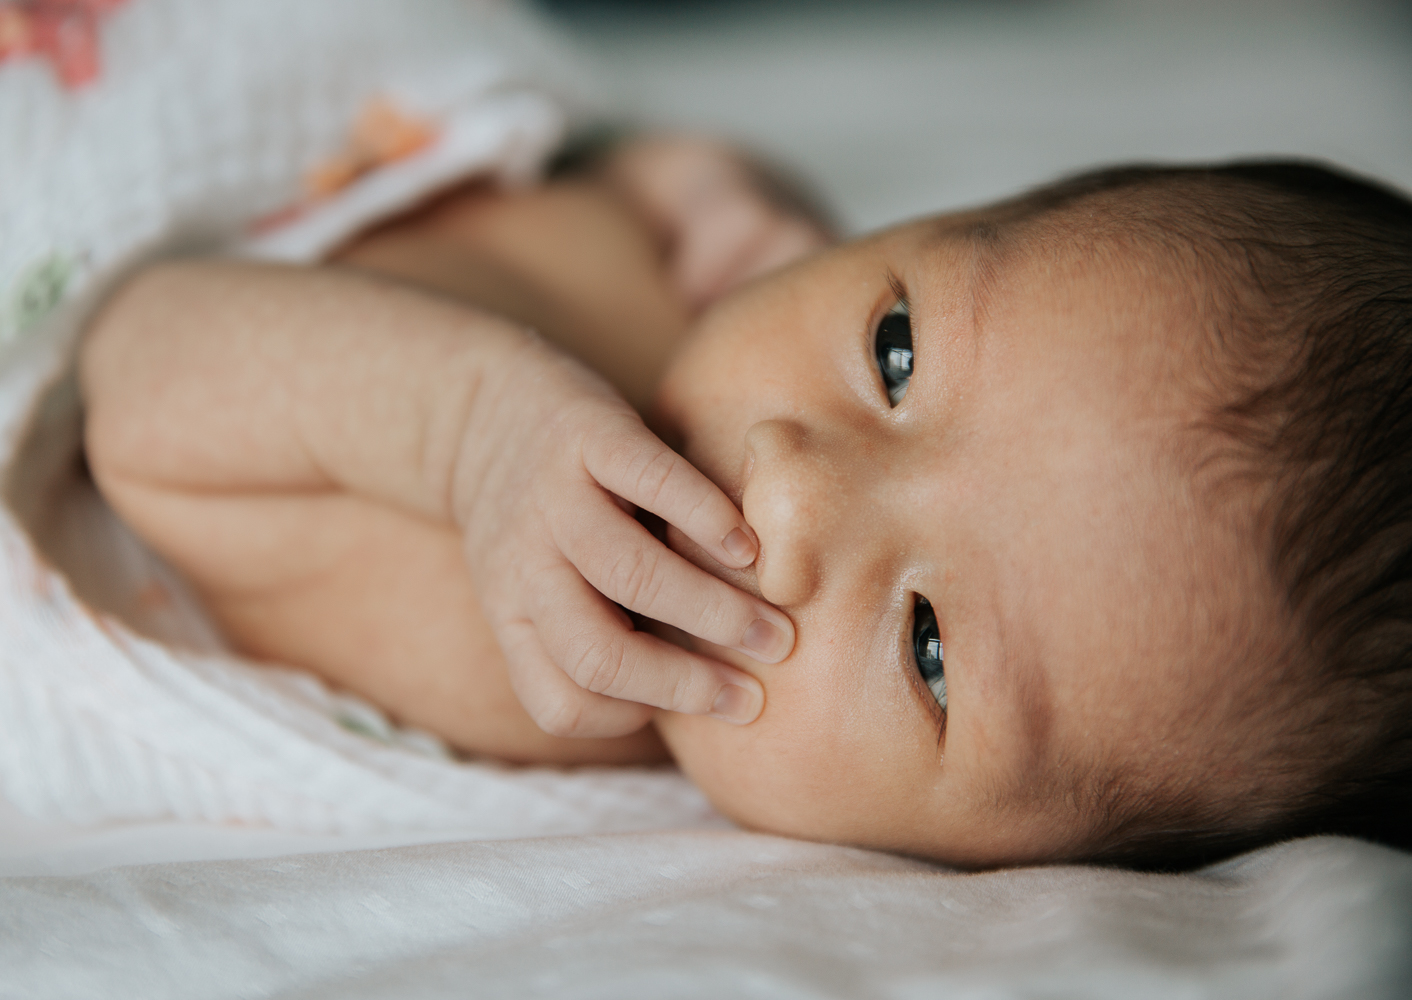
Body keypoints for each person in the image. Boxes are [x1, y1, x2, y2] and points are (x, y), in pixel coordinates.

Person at [78, 137, 1412, 869]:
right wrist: (673, 179)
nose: (796, 474)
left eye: (930, 647)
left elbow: (143, 399)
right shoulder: (647, 324)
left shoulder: (545, 647)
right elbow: (119, 346)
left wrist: (475, 431)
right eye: (895, 349)